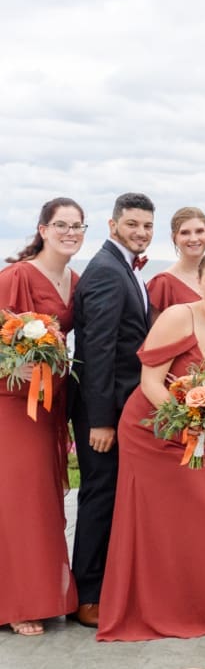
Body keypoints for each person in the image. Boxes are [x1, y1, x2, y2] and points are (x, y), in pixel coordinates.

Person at [96, 251, 205, 641]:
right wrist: (190, 420)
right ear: (199, 282)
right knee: (164, 520)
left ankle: (191, 604)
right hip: (153, 430)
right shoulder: (178, 317)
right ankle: (155, 607)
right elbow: (150, 382)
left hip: (204, 435)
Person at [0, 198, 85, 636]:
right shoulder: (16, 276)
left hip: (52, 401)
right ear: (43, 229)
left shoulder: (76, 279)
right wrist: (16, 366)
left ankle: (45, 595)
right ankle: (15, 603)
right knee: (19, 500)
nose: (70, 232)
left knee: (46, 500)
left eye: (77, 226)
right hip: (14, 401)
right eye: (62, 225)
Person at [70, 192, 155, 629]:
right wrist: (101, 421)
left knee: (111, 495)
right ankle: (87, 595)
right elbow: (97, 350)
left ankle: (107, 585)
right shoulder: (106, 270)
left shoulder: (125, 268)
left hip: (123, 408)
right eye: (133, 224)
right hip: (104, 412)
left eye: (147, 226)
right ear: (113, 225)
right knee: (100, 496)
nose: (141, 232)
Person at [146, 207, 205, 319]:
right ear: (174, 237)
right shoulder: (162, 284)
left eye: (199, 231)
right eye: (185, 233)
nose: (193, 239)